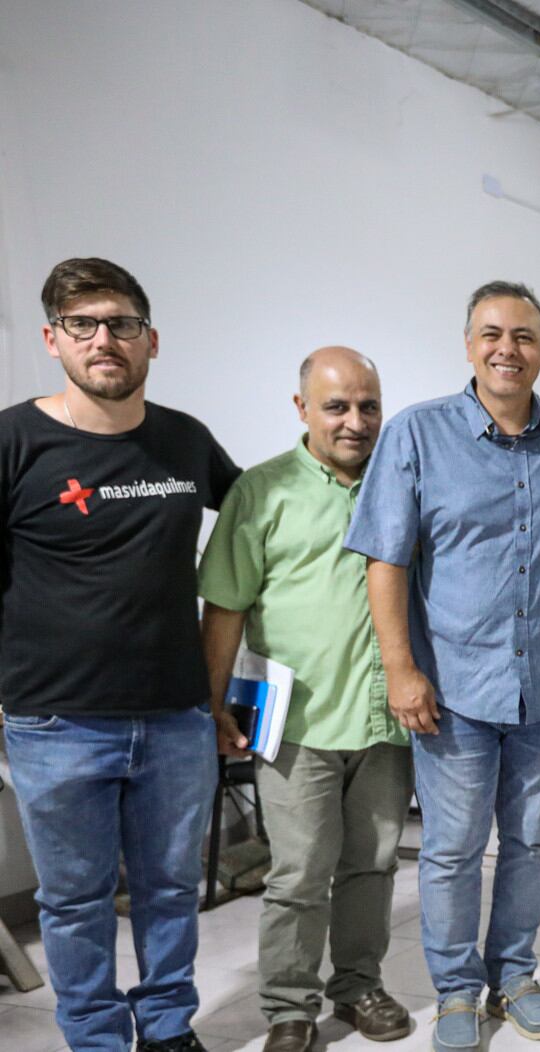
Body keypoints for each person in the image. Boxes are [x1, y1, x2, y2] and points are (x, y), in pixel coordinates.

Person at [343, 282, 540, 1052]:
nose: (506, 349)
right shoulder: (416, 434)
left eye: (523, 336)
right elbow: (385, 560)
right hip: (452, 690)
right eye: (491, 334)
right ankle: (457, 989)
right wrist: (400, 669)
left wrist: (534, 577)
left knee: (531, 843)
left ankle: (513, 975)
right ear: (468, 346)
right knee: (453, 850)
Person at [1, 258, 239, 1052]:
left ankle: (167, 1028)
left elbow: (263, 515)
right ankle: (97, 1038)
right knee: (75, 901)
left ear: (151, 340)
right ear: (53, 339)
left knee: (171, 890)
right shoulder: (13, 441)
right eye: (83, 324)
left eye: (121, 324)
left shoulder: (184, 440)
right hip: (56, 723)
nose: (104, 339)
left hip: (175, 716)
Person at [197, 347, 413, 1052]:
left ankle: (358, 987)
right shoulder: (261, 492)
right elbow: (224, 606)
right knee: (297, 875)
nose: (355, 421)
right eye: (336, 406)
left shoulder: (402, 482)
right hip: (298, 726)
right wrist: (212, 706)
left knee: (372, 865)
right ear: (302, 409)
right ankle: (289, 1006)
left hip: (384, 719)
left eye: (368, 406)